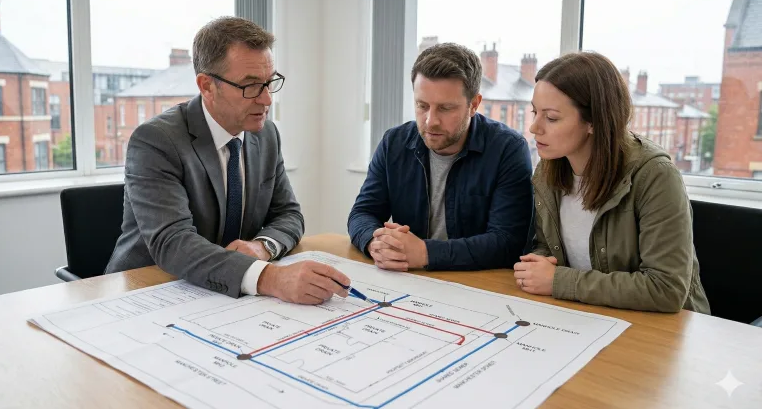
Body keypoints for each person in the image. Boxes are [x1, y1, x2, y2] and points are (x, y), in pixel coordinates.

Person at [106, 17, 349, 305]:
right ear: (207, 86)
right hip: (149, 290)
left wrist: (262, 248)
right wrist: (270, 277)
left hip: (223, 293)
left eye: (269, 82)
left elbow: (289, 215)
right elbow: (174, 244)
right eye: (250, 86)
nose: (267, 100)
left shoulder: (266, 134)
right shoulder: (156, 141)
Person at [514, 51, 710, 313]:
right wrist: (537, 264)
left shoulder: (655, 175)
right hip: (589, 317)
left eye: (551, 118)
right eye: (534, 112)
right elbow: (550, 248)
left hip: (663, 330)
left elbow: (666, 288)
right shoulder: (547, 171)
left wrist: (558, 280)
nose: (534, 128)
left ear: (594, 121)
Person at [347, 43, 534, 271]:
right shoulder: (393, 143)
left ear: (474, 104)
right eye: (422, 105)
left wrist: (425, 253)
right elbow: (363, 213)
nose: (430, 121)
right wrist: (374, 242)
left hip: (475, 284)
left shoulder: (508, 149)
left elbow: (507, 242)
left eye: (445, 108)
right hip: (410, 278)